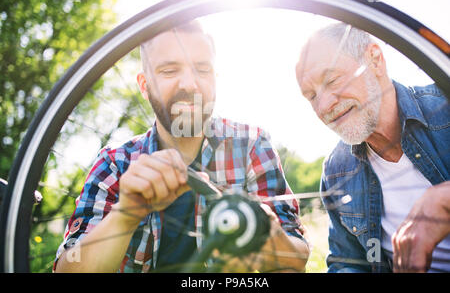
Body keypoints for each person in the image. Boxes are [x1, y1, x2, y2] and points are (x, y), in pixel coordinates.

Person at [54, 20, 310, 273]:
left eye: (202, 69)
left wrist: (265, 232)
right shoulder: (115, 162)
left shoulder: (252, 146)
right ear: (145, 85)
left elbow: (296, 259)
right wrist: (126, 214)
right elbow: (68, 269)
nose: (190, 84)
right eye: (169, 70)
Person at [295, 22, 450, 273]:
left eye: (332, 80)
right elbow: (348, 262)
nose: (323, 107)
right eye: (311, 96)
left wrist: (443, 199)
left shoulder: (445, 108)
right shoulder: (336, 171)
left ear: (375, 60)